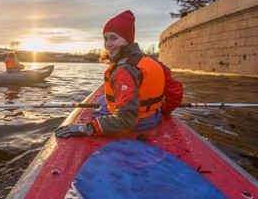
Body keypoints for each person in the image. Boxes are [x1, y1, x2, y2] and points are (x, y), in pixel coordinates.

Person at [55, 10, 183, 138]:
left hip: (135, 124)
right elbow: (175, 91)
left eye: (114, 38)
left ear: (127, 40)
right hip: (153, 117)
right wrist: (165, 111)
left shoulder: (123, 70)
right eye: (105, 39)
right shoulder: (154, 63)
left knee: (102, 104)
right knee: (104, 100)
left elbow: (126, 120)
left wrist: (86, 128)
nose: (108, 44)